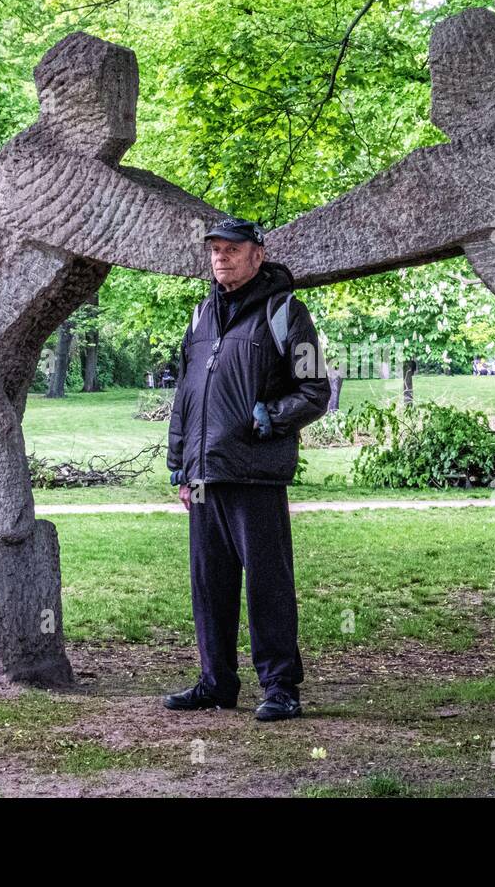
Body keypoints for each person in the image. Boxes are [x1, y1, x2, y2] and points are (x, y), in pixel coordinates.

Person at [163, 216, 331, 722]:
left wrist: (270, 417)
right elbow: (187, 395)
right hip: (204, 476)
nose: (221, 257)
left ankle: (281, 688)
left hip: (255, 472)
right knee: (209, 586)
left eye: (231, 249)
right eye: (214, 249)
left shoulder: (286, 313)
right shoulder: (200, 316)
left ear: (257, 254)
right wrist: (179, 464)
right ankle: (216, 684)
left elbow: (315, 391)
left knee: (267, 585)